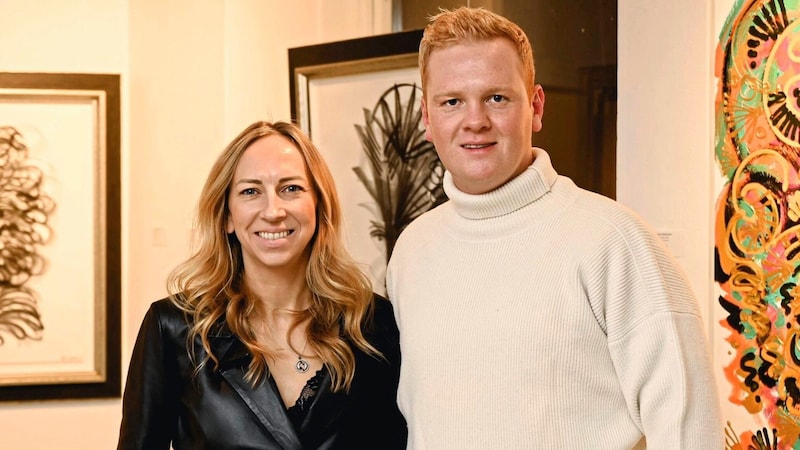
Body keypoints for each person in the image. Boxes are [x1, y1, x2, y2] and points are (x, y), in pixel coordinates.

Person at [385, 7, 723, 449]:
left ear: (536, 106)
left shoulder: (614, 241)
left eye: (497, 98)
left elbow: (688, 432)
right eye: (452, 101)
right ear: (428, 118)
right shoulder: (412, 251)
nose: (475, 121)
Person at [118, 121, 407, 449]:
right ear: (227, 216)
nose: (273, 211)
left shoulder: (373, 324)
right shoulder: (173, 328)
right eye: (251, 191)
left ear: (319, 207)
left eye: (291, 188)